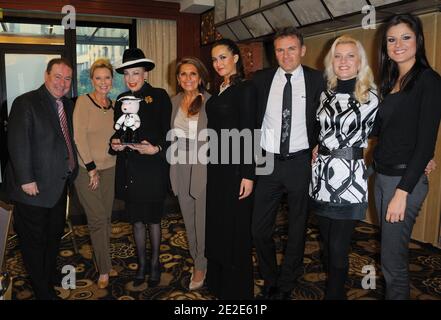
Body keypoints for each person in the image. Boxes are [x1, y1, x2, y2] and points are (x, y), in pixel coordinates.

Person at [251, 27, 325, 300]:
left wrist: (321, 143)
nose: (285, 55)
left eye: (291, 48)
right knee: (258, 229)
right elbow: (249, 117)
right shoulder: (261, 79)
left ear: (302, 50)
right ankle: (270, 277)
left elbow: (327, 119)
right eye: (280, 50)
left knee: (297, 228)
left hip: (300, 163)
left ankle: (286, 283)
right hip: (267, 163)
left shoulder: (318, 80)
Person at [372, 13, 441, 300]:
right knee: (390, 255)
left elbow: (426, 142)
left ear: (418, 40)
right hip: (382, 175)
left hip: (402, 183)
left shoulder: (429, 80)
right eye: (391, 39)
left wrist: (402, 192)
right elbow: (378, 130)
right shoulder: (390, 81)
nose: (397, 44)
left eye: (405, 37)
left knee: (393, 264)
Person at [309, 35, 379, 300]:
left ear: (360, 60)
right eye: (338, 56)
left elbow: (393, 132)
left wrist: (424, 155)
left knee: (338, 247)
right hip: (321, 178)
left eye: (350, 55)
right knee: (327, 244)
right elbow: (319, 128)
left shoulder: (372, 97)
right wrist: (318, 144)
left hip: (350, 180)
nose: (344, 61)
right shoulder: (325, 93)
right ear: (331, 61)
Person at [5, 58, 77, 299]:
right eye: (58, 76)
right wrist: (26, 179)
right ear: (46, 76)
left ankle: (47, 273)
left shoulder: (66, 104)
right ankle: (42, 289)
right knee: (34, 242)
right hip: (32, 188)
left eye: (67, 79)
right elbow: (17, 142)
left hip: (57, 185)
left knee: (53, 235)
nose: (62, 83)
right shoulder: (26, 102)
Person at [110, 48, 172, 288]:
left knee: (153, 221)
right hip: (130, 169)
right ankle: (142, 264)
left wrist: (156, 148)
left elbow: (169, 133)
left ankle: (155, 264)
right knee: (135, 220)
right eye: (127, 74)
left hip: (153, 167)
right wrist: (114, 143)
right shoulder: (121, 99)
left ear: (145, 73)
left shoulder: (159, 95)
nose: (131, 78)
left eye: (136, 73)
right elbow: (119, 131)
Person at [205, 38, 256, 299]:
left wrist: (248, 174)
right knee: (218, 225)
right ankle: (218, 284)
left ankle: (236, 291)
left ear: (235, 57)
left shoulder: (245, 89)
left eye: (223, 57)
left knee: (234, 229)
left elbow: (249, 132)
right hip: (216, 167)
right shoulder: (221, 88)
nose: (218, 63)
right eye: (214, 59)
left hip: (236, 169)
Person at [73, 58, 117, 289]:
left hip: (110, 168)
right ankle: (104, 269)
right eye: (98, 78)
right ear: (91, 80)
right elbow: (78, 137)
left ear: (112, 80)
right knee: (98, 219)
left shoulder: (114, 105)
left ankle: (105, 260)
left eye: (107, 78)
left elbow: (113, 139)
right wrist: (91, 169)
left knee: (107, 218)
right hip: (87, 171)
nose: (103, 82)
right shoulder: (83, 102)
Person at [169, 57, 210, 291]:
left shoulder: (211, 102)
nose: (187, 79)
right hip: (180, 163)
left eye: (192, 74)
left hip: (203, 163)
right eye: (183, 74)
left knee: (202, 219)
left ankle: (201, 265)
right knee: (187, 216)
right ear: (178, 78)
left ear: (201, 77)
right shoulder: (174, 101)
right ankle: (197, 256)